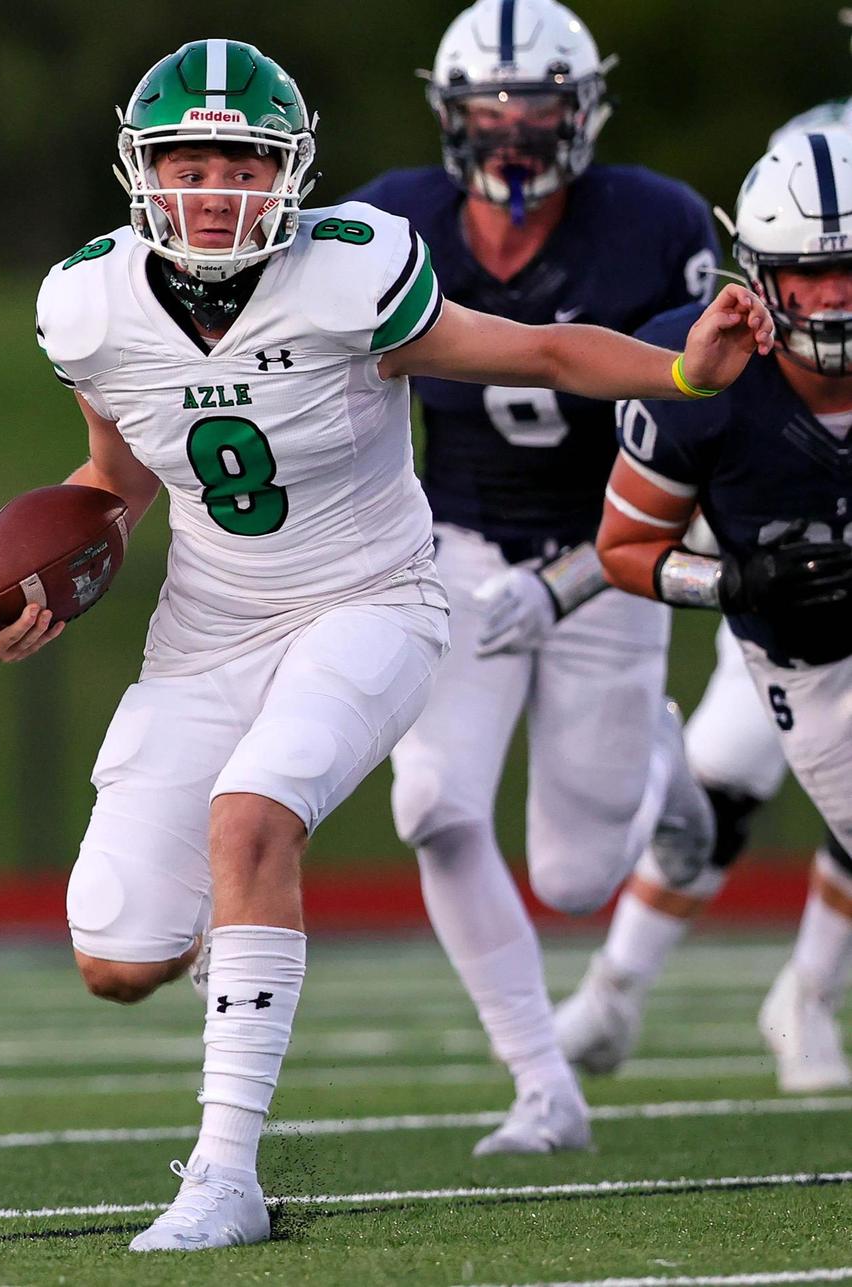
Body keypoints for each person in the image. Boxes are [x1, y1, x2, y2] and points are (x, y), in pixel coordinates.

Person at [0, 38, 769, 1253]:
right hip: (208, 622)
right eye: (190, 161)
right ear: (143, 171)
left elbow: (541, 349)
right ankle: (235, 945)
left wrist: (684, 373)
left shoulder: (349, 275)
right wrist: (47, 580)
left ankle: (226, 1174)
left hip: (373, 596)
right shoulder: (89, 305)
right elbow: (116, 479)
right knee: (119, 962)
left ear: (290, 172)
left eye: (244, 162)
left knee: (253, 817)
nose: (217, 189)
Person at [348, 0, 720, 1153]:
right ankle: (543, 1085)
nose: (511, 131)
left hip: (611, 554)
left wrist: (576, 574)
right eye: (487, 108)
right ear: (448, 117)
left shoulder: (654, 226)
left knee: (572, 877)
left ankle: (662, 763)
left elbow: (705, 433)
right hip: (451, 544)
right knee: (432, 804)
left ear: (582, 111)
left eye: (536, 107)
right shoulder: (389, 222)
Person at [556, 116, 852, 1095]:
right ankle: (619, 991)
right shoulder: (704, 372)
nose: (833, 297)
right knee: (720, 789)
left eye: (849, 266)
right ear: (755, 273)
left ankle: (805, 995)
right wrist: (732, 582)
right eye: (807, 272)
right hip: (803, 655)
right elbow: (625, 549)